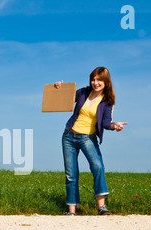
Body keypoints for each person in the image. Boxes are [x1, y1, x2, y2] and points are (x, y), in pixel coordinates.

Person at [54, 67, 127, 216]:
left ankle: (101, 207)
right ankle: (71, 211)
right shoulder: (83, 92)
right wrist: (58, 88)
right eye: (93, 79)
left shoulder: (107, 101)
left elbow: (106, 123)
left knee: (97, 167)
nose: (95, 83)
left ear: (106, 82)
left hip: (88, 138)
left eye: (99, 80)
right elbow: (64, 100)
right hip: (69, 136)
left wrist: (115, 126)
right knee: (71, 174)